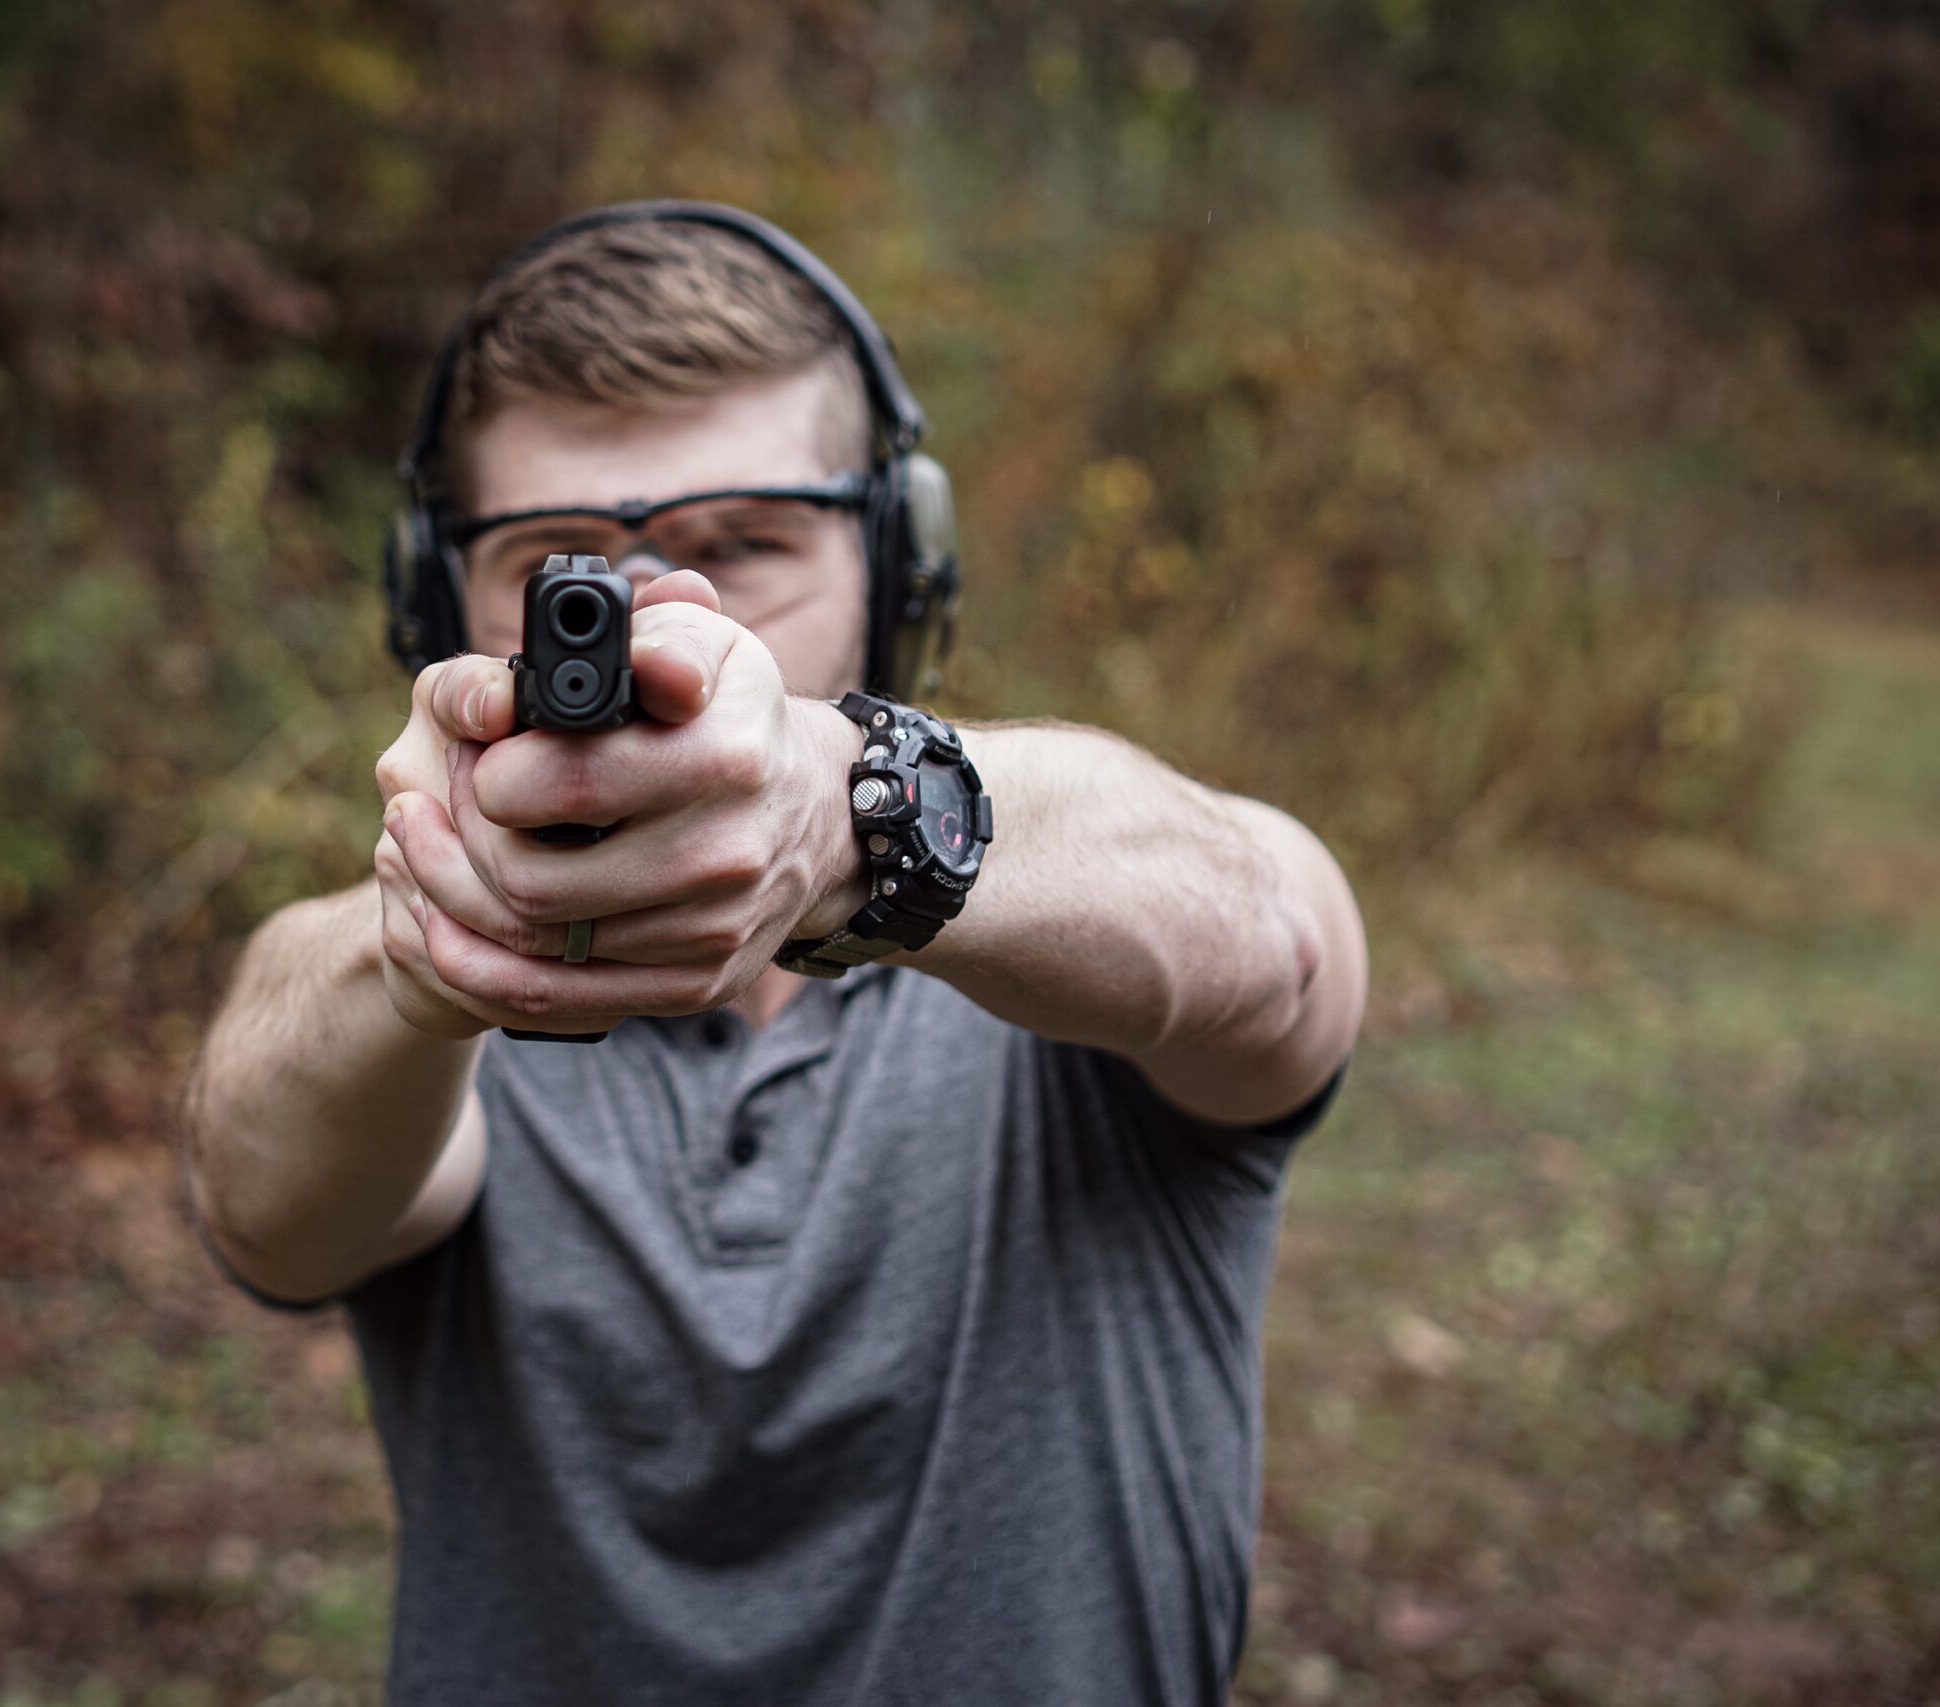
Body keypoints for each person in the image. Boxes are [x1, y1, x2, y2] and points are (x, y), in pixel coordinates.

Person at [183, 202, 1368, 1706]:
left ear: (898, 569)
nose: (660, 619)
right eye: (560, 567)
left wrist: (853, 815)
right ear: (438, 600)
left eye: (747, 543)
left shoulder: (1064, 934)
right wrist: (436, 943)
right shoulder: (424, 1009)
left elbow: (1272, 937)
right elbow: (264, 1196)